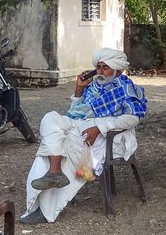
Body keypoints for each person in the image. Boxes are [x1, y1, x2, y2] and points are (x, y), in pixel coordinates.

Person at [20, 48, 147, 224]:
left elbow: (133, 118)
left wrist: (100, 127)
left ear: (117, 70)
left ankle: (46, 210)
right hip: (81, 126)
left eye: (105, 67)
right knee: (51, 119)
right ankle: (54, 171)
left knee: (66, 143)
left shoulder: (126, 88)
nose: (100, 71)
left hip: (111, 137)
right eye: (99, 67)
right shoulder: (94, 87)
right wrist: (79, 89)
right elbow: (74, 114)